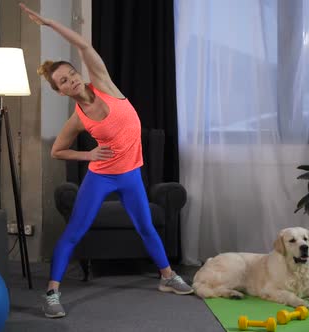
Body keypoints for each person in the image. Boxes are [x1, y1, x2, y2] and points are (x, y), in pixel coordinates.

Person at [19, 3, 194, 319]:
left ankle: (168, 278)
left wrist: (49, 23)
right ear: (59, 91)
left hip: (130, 175)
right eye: (63, 81)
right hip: (101, 176)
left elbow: (83, 45)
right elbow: (56, 151)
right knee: (75, 229)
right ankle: (52, 293)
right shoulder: (78, 119)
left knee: (145, 227)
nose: (71, 80)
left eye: (71, 74)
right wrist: (87, 155)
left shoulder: (103, 84)